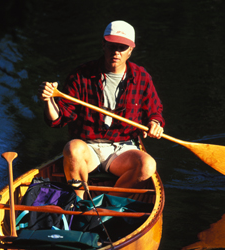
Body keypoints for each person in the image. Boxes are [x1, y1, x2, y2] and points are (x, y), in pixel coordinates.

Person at [38, 20, 165, 196]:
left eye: (122, 47)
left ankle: (107, 205)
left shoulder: (142, 77)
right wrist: (48, 100)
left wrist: (155, 123)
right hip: (87, 147)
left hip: (123, 148)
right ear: (103, 45)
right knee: (71, 149)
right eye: (112, 46)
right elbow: (58, 120)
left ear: (130, 50)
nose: (116, 52)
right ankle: (79, 203)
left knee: (148, 165)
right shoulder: (80, 75)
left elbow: (154, 112)